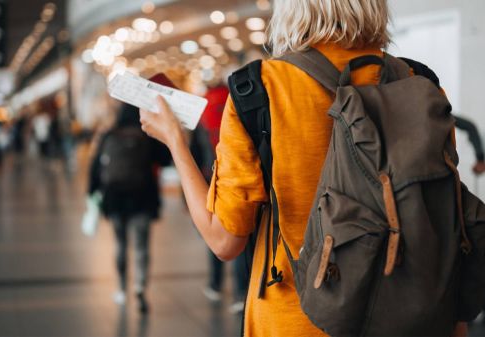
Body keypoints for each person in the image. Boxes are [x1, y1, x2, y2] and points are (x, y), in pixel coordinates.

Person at [138, 0, 467, 336]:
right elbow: (445, 214)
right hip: (414, 316)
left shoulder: (260, 89)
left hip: (295, 320)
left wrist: (175, 142)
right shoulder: (420, 85)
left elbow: (224, 241)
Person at [89, 103, 171, 314]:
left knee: (121, 244)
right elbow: (166, 159)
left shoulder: (109, 135)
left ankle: (121, 290)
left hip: (115, 198)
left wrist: (92, 192)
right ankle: (140, 287)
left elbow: (96, 167)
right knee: (142, 246)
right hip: (142, 198)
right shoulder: (146, 136)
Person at [190, 84, 249, 312]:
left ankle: (215, 284)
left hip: (208, 179)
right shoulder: (237, 101)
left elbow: (194, 151)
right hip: (236, 177)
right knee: (238, 234)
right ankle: (240, 293)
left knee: (214, 232)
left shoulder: (202, 108)